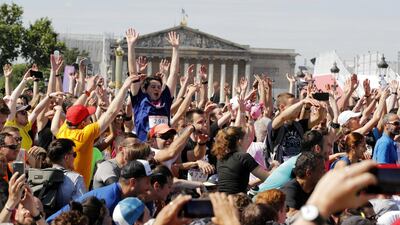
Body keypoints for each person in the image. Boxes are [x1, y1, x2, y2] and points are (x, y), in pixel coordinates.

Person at [56, 74, 137, 188]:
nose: (91, 119)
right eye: (88, 117)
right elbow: (111, 113)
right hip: (77, 189)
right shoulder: (84, 135)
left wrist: (88, 91)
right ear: (83, 123)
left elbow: (74, 109)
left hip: (64, 184)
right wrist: (124, 87)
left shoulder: (64, 129)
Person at [47, 159, 152, 223]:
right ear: (132, 182)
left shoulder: (117, 196)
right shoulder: (109, 201)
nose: (150, 186)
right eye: (147, 182)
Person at [128, 28, 180, 141]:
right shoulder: (139, 98)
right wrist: (131, 45)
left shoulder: (165, 98)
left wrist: (175, 49)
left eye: (159, 87)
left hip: (164, 147)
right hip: (144, 146)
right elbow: (133, 73)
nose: (157, 89)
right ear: (145, 89)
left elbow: (174, 74)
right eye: (153, 87)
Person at [257, 130, 332, 193]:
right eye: (329, 145)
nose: (331, 150)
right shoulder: (303, 165)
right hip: (262, 202)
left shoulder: (302, 160)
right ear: (317, 148)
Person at [212, 126, 269, 194]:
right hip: (238, 201)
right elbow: (268, 178)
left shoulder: (221, 158)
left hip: (222, 201)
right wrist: (274, 170)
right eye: (246, 138)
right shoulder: (244, 157)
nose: (248, 140)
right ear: (239, 141)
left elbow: (234, 185)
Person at [270, 94, 324, 162]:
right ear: (282, 107)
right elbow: (282, 117)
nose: (299, 108)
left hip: (297, 170)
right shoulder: (276, 125)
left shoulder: (299, 126)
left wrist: (318, 104)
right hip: (281, 169)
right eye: (294, 105)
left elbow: (318, 118)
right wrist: (302, 102)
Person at [282, 151, 325, 217]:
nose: (325, 172)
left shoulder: (316, 188)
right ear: (309, 173)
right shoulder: (290, 189)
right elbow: (291, 214)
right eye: (322, 169)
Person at [47, 138, 86, 208]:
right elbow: (83, 206)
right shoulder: (77, 178)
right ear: (66, 157)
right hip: (67, 217)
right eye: (74, 154)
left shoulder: (41, 174)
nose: (74, 158)